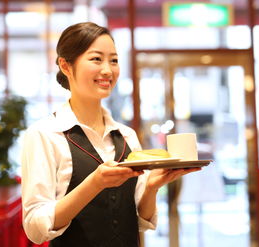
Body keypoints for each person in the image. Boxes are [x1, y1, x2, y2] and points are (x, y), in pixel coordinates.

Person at [21, 22, 201, 247]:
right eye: (96, 59)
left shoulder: (126, 135)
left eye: (114, 60)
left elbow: (139, 218)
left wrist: (152, 187)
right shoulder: (45, 134)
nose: (108, 70)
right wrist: (94, 184)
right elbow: (35, 228)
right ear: (66, 66)